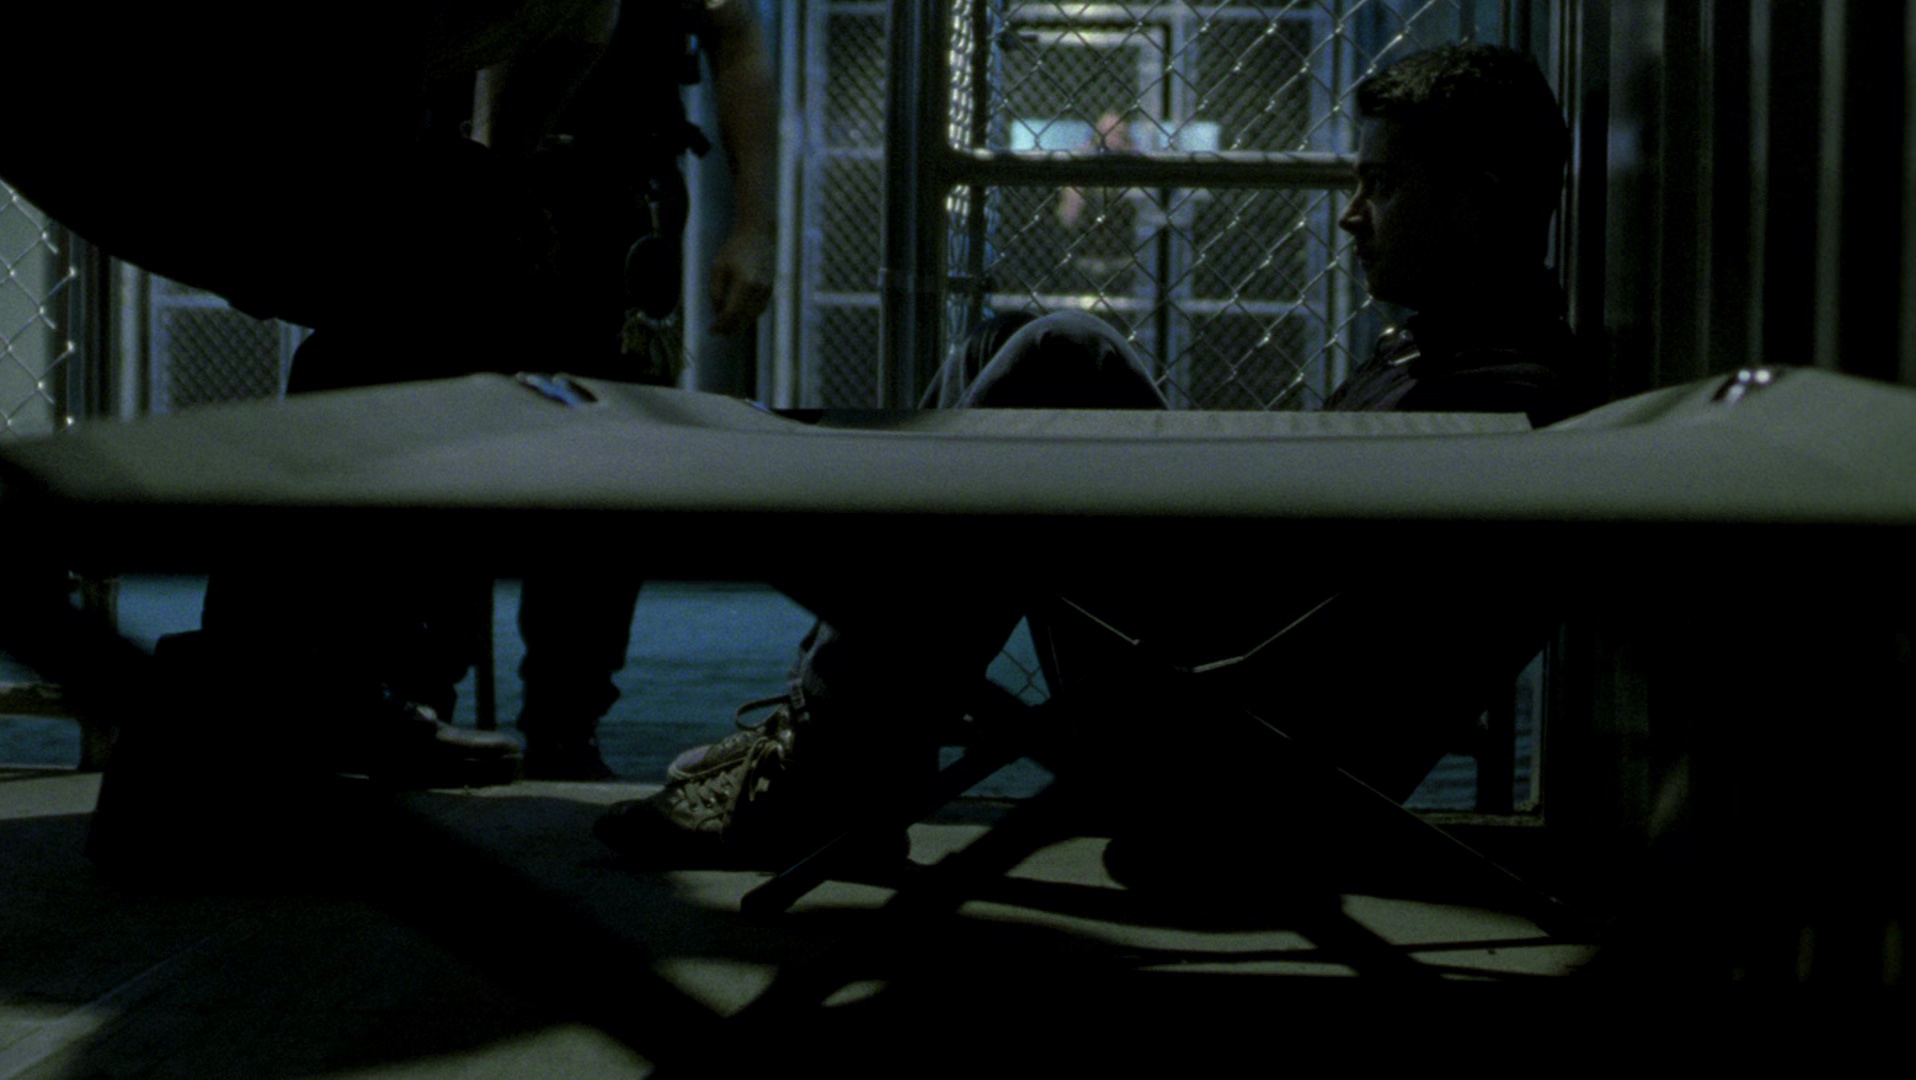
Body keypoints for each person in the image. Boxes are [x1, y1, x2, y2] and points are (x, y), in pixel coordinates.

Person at [594, 42, 1595, 869]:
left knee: (1062, 355)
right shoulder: (1437, 355)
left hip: (1236, 762)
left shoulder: (1502, 400)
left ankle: (829, 758)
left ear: (1478, 196)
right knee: (1005, 342)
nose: (1350, 213)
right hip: (1216, 693)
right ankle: (839, 734)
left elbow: (1331, 648)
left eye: (1379, 183)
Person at [510, 0, 779, 780]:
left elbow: (734, 29)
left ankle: (564, 717)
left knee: (608, 463)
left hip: (619, 184)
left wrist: (757, 223)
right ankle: (412, 690)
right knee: (445, 430)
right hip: (482, 173)